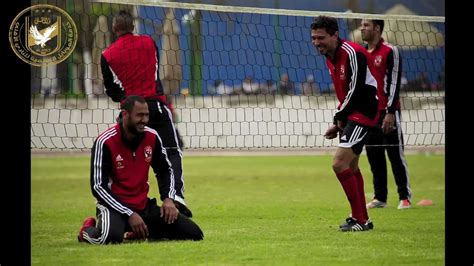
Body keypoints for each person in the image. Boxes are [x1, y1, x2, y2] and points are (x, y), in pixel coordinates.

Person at [100, 10, 192, 217]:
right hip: (155, 105)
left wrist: (125, 98)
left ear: (115, 29)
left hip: (129, 111)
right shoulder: (149, 42)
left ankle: (124, 202)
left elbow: (111, 89)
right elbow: (155, 73)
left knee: (123, 156)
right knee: (171, 152)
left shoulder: (107, 55)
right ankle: (175, 196)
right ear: (133, 27)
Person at [77, 95, 203, 244]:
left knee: (194, 233)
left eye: (146, 115)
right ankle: (86, 229)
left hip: (143, 207)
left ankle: (138, 232)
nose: (144, 120)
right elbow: (98, 187)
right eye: (139, 115)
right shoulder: (105, 142)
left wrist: (169, 199)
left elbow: (164, 170)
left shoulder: (152, 136)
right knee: (109, 239)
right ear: (125, 114)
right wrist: (129, 213)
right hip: (114, 208)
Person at [311, 16, 380, 232]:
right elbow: (345, 93)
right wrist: (340, 121)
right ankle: (362, 218)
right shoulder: (330, 56)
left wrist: (338, 117)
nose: (316, 42)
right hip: (352, 114)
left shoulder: (353, 53)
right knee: (351, 166)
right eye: (313, 38)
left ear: (334, 35)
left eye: (321, 37)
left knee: (338, 163)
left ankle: (359, 219)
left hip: (364, 112)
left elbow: (356, 90)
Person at [360, 19, 412, 210]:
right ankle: (380, 197)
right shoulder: (361, 53)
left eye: (366, 25)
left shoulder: (390, 51)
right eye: (361, 24)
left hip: (388, 113)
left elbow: (394, 82)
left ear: (377, 28)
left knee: (395, 155)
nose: (362, 28)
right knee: (374, 157)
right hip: (369, 114)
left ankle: (404, 196)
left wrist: (390, 112)